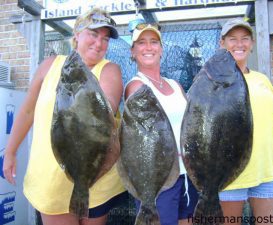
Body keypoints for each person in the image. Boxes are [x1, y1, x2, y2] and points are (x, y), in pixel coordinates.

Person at [2, 7, 126, 225]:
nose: (99, 43)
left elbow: (106, 110)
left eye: (105, 39)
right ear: (76, 34)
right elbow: (27, 110)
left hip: (96, 178)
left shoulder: (109, 70)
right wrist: (10, 152)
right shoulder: (50, 65)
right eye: (93, 34)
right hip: (51, 181)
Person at [218, 18, 273, 225]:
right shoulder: (212, 82)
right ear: (222, 43)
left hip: (266, 171)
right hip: (228, 174)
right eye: (232, 39)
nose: (239, 44)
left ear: (252, 44)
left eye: (245, 39)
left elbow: (270, 126)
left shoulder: (262, 80)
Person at [125, 21, 198, 225]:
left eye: (154, 42)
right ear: (133, 52)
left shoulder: (175, 85)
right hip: (158, 181)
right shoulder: (136, 86)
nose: (148, 47)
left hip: (188, 175)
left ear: (161, 49)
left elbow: (190, 124)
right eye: (141, 43)